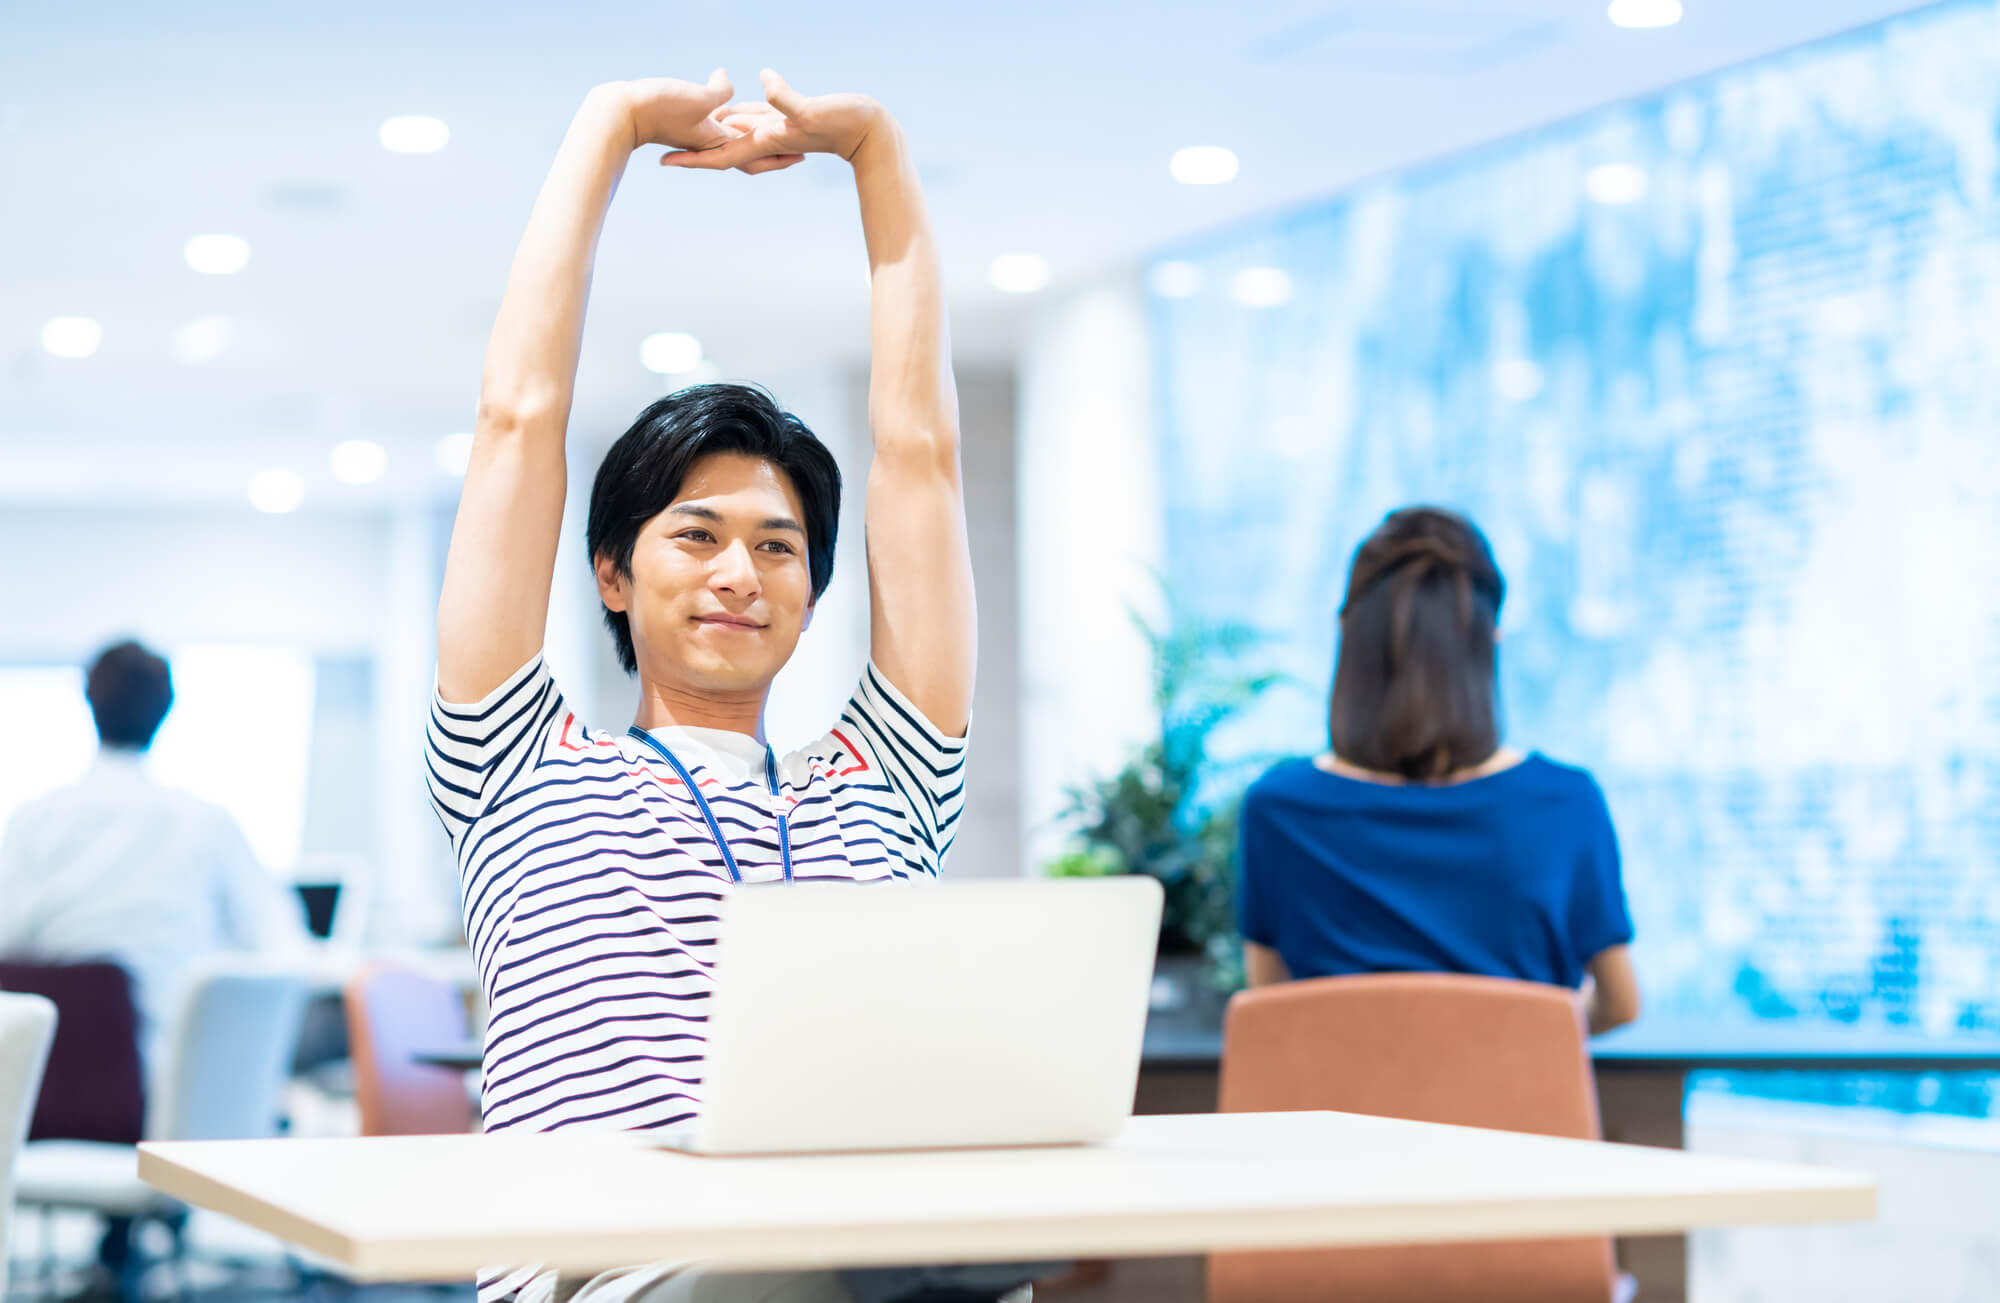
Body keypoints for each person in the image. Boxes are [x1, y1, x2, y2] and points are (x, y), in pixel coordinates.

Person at [423, 70, 1008, 1303]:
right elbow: (516, 419)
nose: (740, 571)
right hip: (622, 1277)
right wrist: (609, 128)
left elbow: (920, 459)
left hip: (869, 1257)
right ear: (612, 576)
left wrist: (878, 153)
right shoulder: (516, 764)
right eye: (694, 536)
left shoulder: (883, 782)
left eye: (778, 545)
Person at [1236, 507, 1641, 1034]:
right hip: (1518, 1113)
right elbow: (1619, 1004)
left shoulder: (1279, 809)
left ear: (1348, 634)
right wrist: (1528, 1039)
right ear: (1490, 636)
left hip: (1340, 1117)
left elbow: (1272, 1004)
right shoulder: (1565, 802)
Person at [0, 639, 308, 1068]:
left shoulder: (30, 822)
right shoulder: (205, 822)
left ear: (89, 702)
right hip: (171, 1091)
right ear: (165, 711)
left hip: (46, 1090)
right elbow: (282, 948)